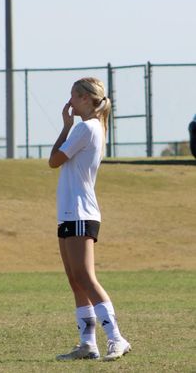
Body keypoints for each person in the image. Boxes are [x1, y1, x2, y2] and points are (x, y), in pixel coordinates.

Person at [49, 77, 131, 362]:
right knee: (75, 280)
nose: (69, 100)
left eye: (73, 95)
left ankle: (116, 338)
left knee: (85, 277)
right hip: (70, 212)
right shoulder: (89, 127)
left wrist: (65, 126)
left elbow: (54, 160)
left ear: (85, 98)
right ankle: (87, 343)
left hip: (82, 211)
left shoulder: (85, 127)